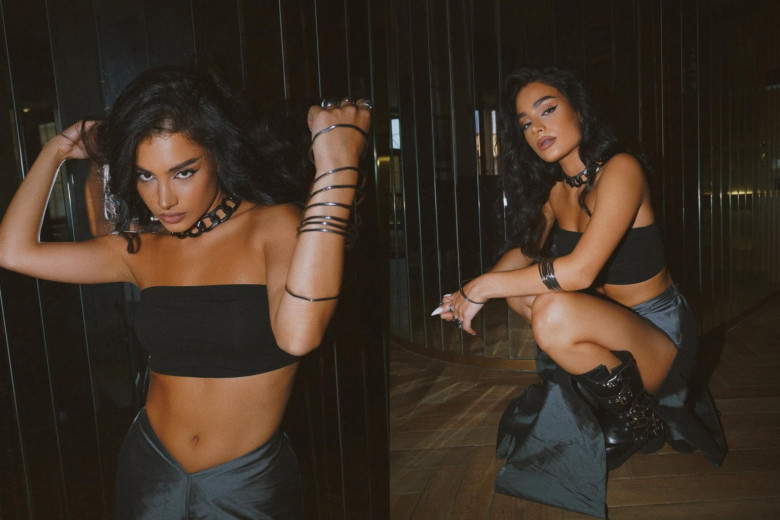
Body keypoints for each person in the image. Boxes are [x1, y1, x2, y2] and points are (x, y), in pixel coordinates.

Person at [0, 66, 371, 519]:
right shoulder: (142, 248)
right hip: (150, 471)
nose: (164, 200)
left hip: (247, 485)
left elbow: (299, 335)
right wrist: (55, 151)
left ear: (218, 155)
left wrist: (336, 169)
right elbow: (13, 251)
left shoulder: (274, 225)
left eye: (183, 172)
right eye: (145, 176)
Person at [432, 66, 725, 518]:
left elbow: (581, 271)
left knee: (552, 310)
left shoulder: (622, 170)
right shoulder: (557, 189)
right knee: (521, 294)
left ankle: (637, 421)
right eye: (525, 123)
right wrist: (467, 292)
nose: (537, 128)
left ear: (580, 111)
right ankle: (609, 395)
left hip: (659, 334)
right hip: (609, 328)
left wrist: (482, 287)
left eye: (547, 110)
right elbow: (524, 252)